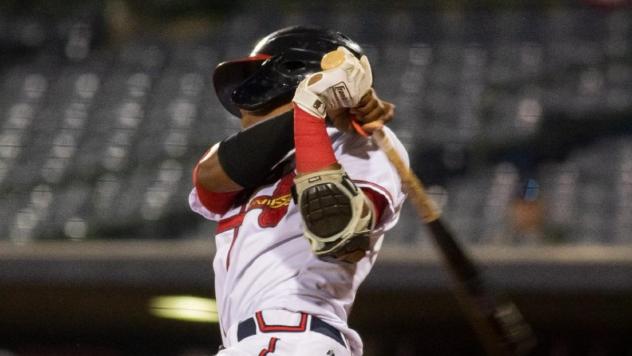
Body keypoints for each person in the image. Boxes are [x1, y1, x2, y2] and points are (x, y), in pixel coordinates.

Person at [189, 26, 409, 356]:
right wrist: (311, 105)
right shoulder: (246, 165)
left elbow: (339, 231)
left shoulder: (361, 143)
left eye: (254, 79)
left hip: (293, 337)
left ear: (291, 73)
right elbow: (207, 181)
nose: (243, 108)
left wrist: (311, 113)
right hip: (254, 343)